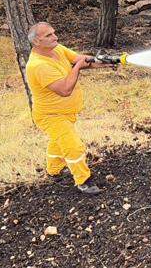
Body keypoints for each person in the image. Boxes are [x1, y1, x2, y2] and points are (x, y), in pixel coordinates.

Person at [25, 22, 112, 195]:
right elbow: (65, 89)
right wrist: (78, 67)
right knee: (73, 146)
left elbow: (80, 59)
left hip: (66, 112)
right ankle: (83, 181)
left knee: (58, 143)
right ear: (36, 42)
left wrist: (105, 63)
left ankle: (54, 171)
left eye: (54, 33)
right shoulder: (38, 65)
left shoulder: (56, 49)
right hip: (51, 115)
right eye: (48, 36)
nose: (55, 37)